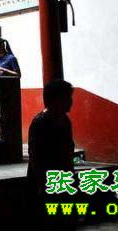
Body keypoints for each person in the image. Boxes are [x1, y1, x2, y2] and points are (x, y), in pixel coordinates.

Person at [26, 79, 75, 227]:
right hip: (46, 179)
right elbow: (35, 156)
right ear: (56, 100)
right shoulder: (40, 123)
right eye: (67, 97)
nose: (71, 101)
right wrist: (42, 183)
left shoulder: (65, 120)